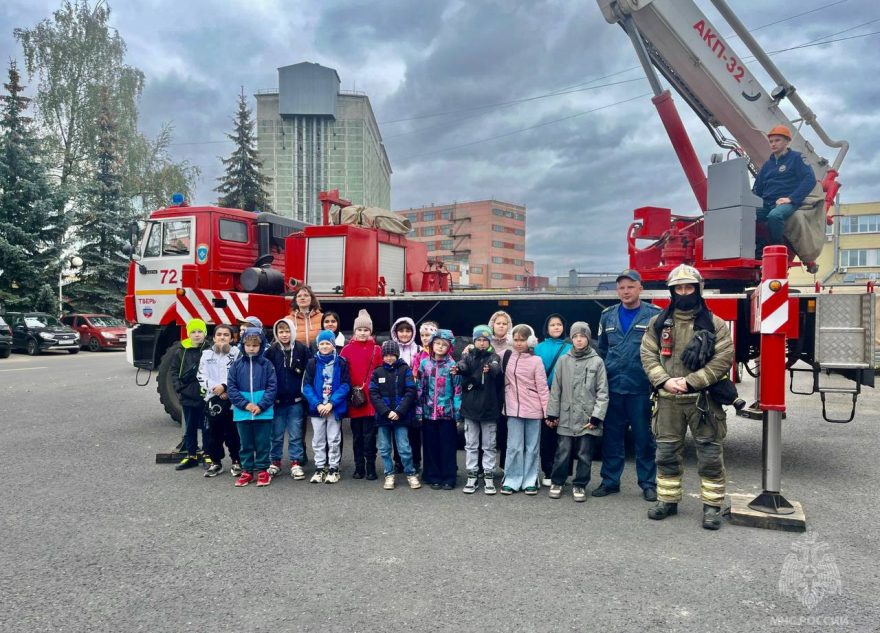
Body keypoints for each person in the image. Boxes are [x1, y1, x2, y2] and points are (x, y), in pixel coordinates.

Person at [640, 264, 734, 530]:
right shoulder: (658, 323)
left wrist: (692, 381)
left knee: (710, 455)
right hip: (668, 399)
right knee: (666, 453)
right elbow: (647, 355)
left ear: (697, 289)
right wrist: (666, 381)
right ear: (672, 291)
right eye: (678, 288)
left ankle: (712, 507)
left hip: (703, 401)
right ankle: (667, 501)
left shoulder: (714, 324)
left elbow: (723, 359)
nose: (683, 292)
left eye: (688, 287)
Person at [594, 269, 661, 501]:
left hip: (640, 387)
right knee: (612, 437)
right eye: (621, 287)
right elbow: (602, 349)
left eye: (630, 286)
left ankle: (648, 483)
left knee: (644, 439)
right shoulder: (607, 316)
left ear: (640, 288)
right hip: (613, 386)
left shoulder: (654, 315)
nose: (625, 291)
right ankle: (610, 481)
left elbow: (662, 351)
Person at [546, 322, 609, 502]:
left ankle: (580, 484)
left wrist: (597, 416)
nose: (579, 340)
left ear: (588, 338)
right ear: (571, 339)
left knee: (584, 453)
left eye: (582, 336)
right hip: (566, 414)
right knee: (563, 451)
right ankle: (557, 481)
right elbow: (556, 388)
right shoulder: (564, 360)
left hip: (587, 417)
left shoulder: (597, 361)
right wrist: (553, 412)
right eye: (575, 336)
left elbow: (602, 391)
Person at [454, 325, 503, 495]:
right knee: (471, 445)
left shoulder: (494, 357)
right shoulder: (468, 356)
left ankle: (489, 476)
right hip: (470, 409)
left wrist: (492, 369)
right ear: (474, 341)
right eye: (479, 340)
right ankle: (472, 476)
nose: (482, 343)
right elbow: (462, 365)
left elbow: (497, 368)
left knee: (489, 445)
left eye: (485, 340)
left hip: (489, 409)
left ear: (489, 341)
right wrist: (457, 368)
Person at [501, 324, 549, 496]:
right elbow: (488, 356)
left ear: (530, 341)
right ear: (510, 340)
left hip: (534, 410)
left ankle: (530, 480)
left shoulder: (537, 361)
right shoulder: (506, 356)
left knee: (532, 447)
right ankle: (512, 479)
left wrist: (547, 412)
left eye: (522, 340)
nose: (519, 343)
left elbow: (543, 388)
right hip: (513, 409)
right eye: (516, 339)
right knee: (513, 446)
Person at [227, 328, 277, 487]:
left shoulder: (267, 365)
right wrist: (246, 404)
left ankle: (263, 470)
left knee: (263, 443)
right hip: (242, 412)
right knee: (246, 443)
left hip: (263, 412)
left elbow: (272, 387)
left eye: (255, 345)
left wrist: (261, 405)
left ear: (261, 346)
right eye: (248, 345)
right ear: (243, 345)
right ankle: (247, 470)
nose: (251, 348)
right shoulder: (235, 366)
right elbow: (231, 388)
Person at [752, 125, 817, 249]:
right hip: (767, 203)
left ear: (787, 141)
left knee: (774, 216)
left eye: (777, 140)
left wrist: (791, 199)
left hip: (786, 202)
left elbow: (810, 180)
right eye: (771, 141)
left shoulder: (796, 158)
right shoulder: (767, 164)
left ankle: (778, 249)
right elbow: (757, 188)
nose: (773, 144)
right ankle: (758, 246)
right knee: (745, 215)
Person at [369, 340, 421, 491]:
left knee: (404, 447)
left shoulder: (405, 370)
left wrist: (399, 411)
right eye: (386, 355)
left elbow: (411, 392)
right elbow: (373, 393)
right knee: (384, 448)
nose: (389, 358)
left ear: (397, 355)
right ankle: (389, 474)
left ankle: (411, 473)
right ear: (382, 356)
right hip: (383, 418)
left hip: (401, 417)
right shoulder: (377, 372)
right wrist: (386, 411)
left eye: (392, 355)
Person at [265, 318, 311, 480]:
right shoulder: (271, 351)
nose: (284, 335)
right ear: (276, 334)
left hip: (296, 401)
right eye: (281, 332)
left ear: (292, 331)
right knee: (276, 434)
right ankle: (275, 462)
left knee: (295, 433)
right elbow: (267, 375)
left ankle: (295, 462)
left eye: (287, 331)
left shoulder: (302, 349)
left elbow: (309, 372)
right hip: (277, 402)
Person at [416, 329, 461, 490]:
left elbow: (457, 391)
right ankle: (432, 475)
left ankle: (449, 477)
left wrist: (457, 413)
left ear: (449, 347)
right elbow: (420, 388)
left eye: (444, 345)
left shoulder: (452, 366)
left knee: (448, 446)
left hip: (447, 414)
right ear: (432, 344)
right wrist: (419, 411)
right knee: (430, 445)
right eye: (437, 343)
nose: (440, 347)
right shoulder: (424, 364)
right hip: (428, 412)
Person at [303, 330, 350, 484]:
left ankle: (334, 467)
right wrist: (317, 404)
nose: (324, 346)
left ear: (333, 345)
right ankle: (320, 467)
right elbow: (307, 386)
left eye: (327, 343)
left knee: (334, 438)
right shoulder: (312, 363)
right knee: (318, 439)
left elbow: (345, 385)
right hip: (317, 408)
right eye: (321, 343)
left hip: (333, 408)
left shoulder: (341, 362)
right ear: (318, 345)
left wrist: (331, 403)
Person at [341, 309, 382, 480]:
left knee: (370, 435)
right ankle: (359, 467)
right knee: (357, 435)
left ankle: (371, 466)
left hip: (372, 399)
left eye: (366, 330)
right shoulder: (346, 350)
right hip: (355, 399)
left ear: (370, 331)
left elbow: (381, 372)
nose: (363, 333)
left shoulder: (377, 350)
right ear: (354, 331)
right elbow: (342, 374)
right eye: (359, 330)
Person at [197, 324, 242, 478]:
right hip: (213, 398)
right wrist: (215, 388)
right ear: (214, 337)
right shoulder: (206, 355)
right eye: (219, 334)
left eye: (226, 335)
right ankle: (216, 462)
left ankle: (237, 461)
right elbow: (201, 375)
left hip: (231, 398)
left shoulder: (237, 354)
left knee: (232, 433)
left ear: (231, 338)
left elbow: (239, 375)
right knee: (213, 434)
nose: (222, 337)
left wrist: (226, 388)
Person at [534, 313, 572, 486]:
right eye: (552, 325)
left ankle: (563, 471)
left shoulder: (570, 347)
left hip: (566, 395)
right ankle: (548, 471)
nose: (556, 327)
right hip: (545, 394)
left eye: (559, 324)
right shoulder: (538, 348)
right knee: (547, 436)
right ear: (546, 328)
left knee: (565, 436)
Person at [173, 318, 210, 471]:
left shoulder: (210, 350)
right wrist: (179, 387)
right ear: (189, 334)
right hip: (188, 395)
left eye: (200, 331)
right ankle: (191, 455)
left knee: (207, 427)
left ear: (205, 333)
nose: (196, 335)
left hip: (205, 396)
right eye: (193, 332)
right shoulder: (181, 350)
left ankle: (208, 454)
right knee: (190, 427)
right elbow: (174, 371)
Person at [390, 317, 421, 473]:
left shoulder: (419, 350)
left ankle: (415, 460)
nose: (404, 334)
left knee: (414, 430)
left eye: (408, 330)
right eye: (401, 330)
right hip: (397, 396)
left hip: (414, 397)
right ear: (396, 332)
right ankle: (399, 461)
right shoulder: (391, 351)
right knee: (398, 429)